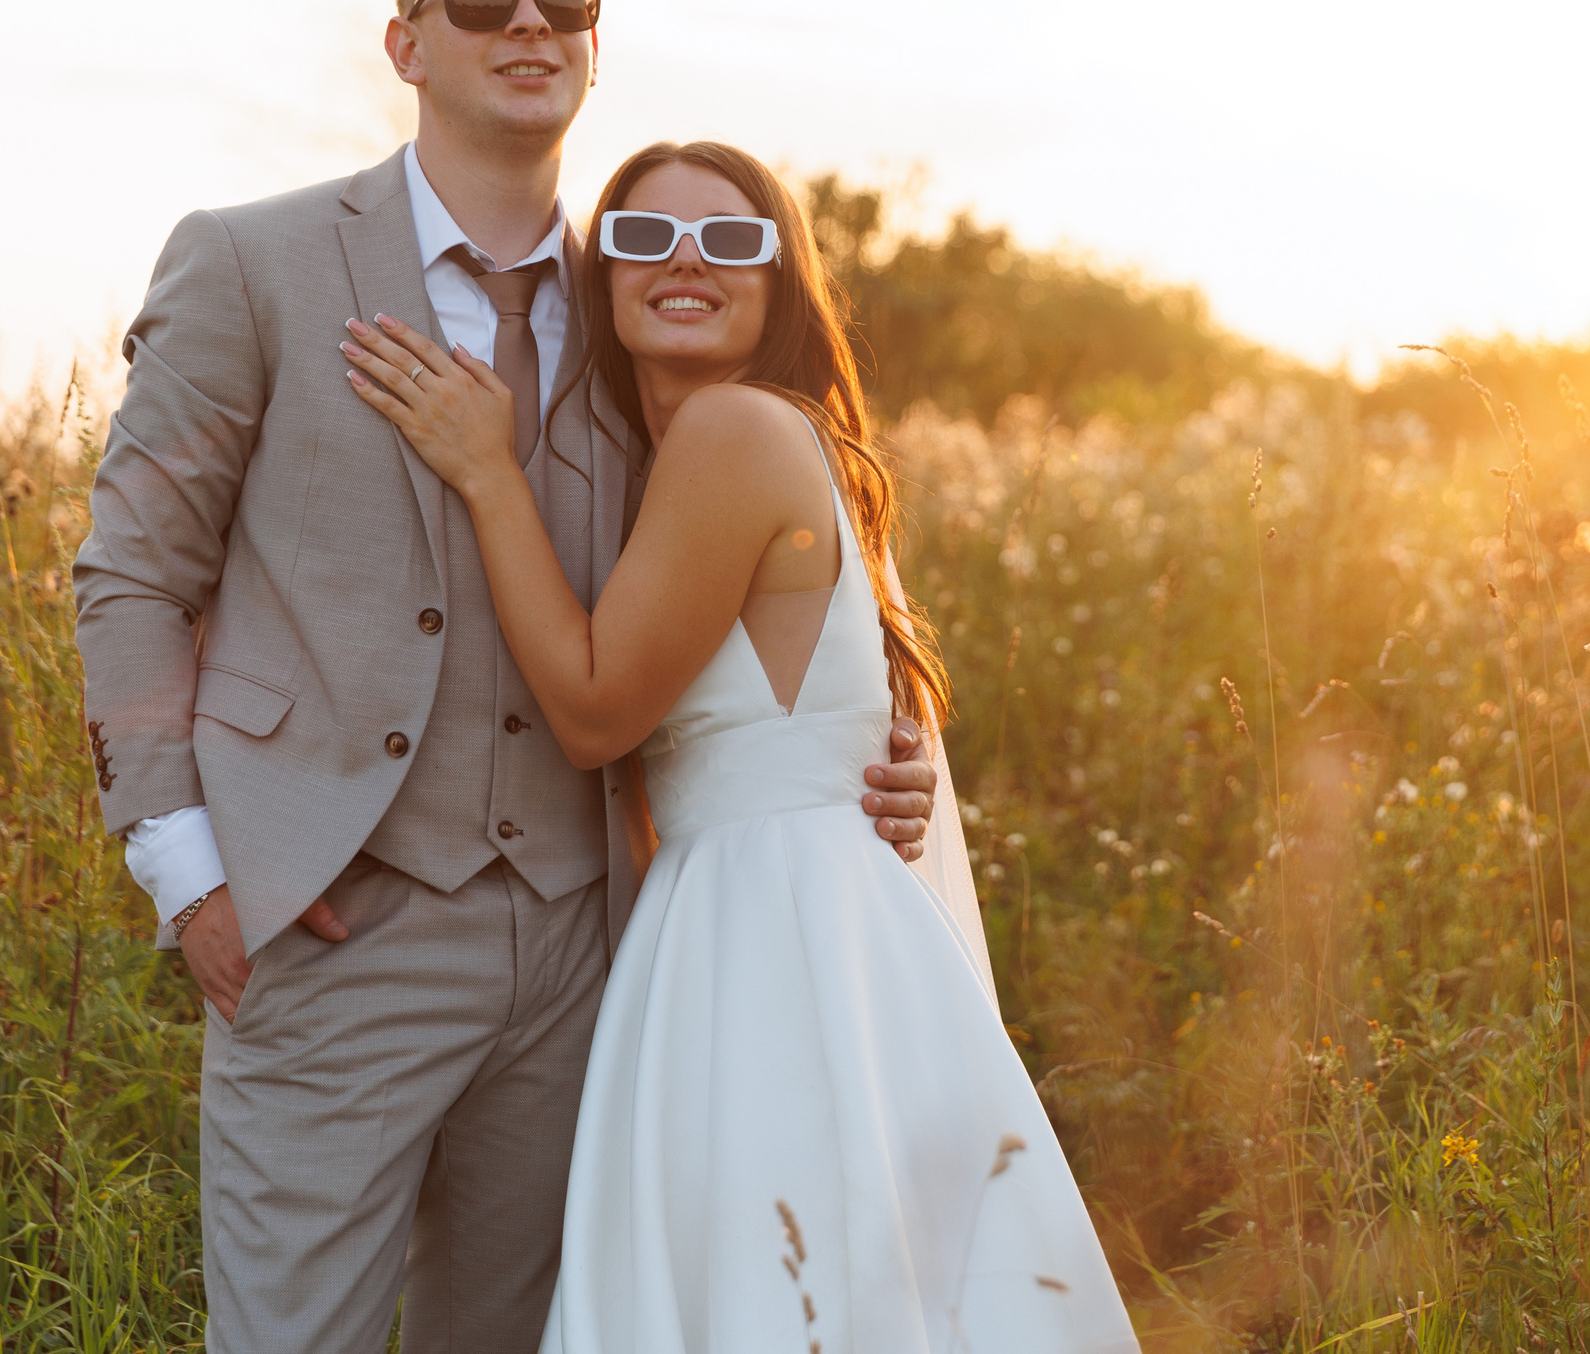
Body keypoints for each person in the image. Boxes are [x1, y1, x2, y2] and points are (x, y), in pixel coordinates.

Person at [72, 0, 957, 1354]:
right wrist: (189, 870)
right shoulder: (252, 261)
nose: (531, 22)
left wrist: (884, 742)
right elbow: (131, 573)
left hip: (592, 956)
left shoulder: (643, 316)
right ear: (406, 43)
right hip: (332, 923)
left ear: (597, 45)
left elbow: (778, 582)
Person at [341, 140, 1138, 1352]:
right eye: (648, 239)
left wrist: (485, 473)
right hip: (778, 908)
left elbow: (599, 714)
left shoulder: (730, 431)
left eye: (731, 240)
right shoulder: (740, 444)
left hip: (766, 931)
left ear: (780, 282)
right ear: (602, 276)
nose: (687, 264)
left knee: (776, 1277)